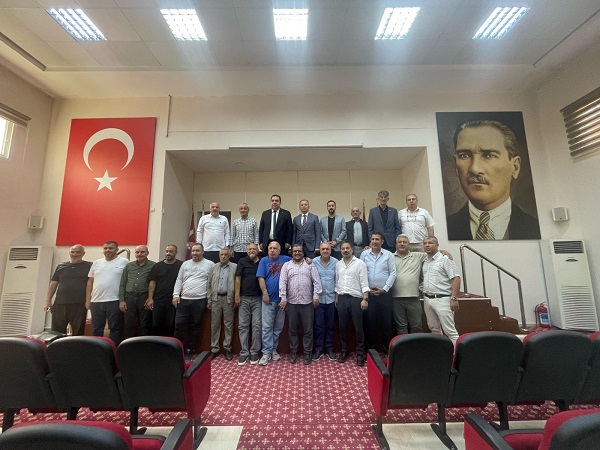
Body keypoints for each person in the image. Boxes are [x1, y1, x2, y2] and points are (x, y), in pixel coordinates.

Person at [447, 120, 541, 240]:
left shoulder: (534, 228)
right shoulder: (444, 229)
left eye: (489, 155)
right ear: (455, 166)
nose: (474, 169)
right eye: (464, 155)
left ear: (515, 167)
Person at [279, 245, 322, 365]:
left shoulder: (310, 265)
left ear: (303, 253)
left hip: (307, 303)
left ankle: (307, 352)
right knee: (292, 330)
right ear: (291, 253)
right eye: (295, 251)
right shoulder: (286, 266)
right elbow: (282, 282)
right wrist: (283, 297)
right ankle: (294, 351)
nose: (297, 253)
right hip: (291, 303)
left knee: (308, 330)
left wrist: (316, 296)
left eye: (299, 251)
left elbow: (316, 282)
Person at [173, 243, 214, 359]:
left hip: (200, 300)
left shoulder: (210, 264)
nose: (195, 253)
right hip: (183, 299)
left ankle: (190, 350)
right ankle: (178, 349)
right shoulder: (185, 264)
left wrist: (209, 299)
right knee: (179, 325)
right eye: (193, 251)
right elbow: (179, 280)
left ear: (203, 251)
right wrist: (175, 295)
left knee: (195, 326)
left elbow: (211, 283)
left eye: (197, 250)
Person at [360, 232, 396, 354]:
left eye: (377, 239)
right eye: (373, 239)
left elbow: (393, 273)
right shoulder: (364, 254)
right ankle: (371, 351)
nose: (374, 241)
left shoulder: (388, 255)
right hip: (369, 294)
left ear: (382, 241)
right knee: (370, 324)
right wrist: (366, 289)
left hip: (384, 294)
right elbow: (361, 272)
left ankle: (387, 351)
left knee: (386, 324)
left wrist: (384, 289)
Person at [86, 241, 129, 344]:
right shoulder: (96, 263)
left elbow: (127, 281)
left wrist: (123, 300)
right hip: (96, 301)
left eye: (111, 248)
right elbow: (90, 282)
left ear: (117, 250)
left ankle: (113, 349)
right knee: (97, 328)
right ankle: (98, 348)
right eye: (105, 248)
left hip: (115, 300)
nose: (108, 250)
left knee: (115, 328)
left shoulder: (124, 262)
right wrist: (88, 300)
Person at [256, 241, 291, 366]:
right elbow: (261, 278)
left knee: (278, 327)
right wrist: (265, 294)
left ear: (279, 250)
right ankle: (266, 352)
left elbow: (299, 260)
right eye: (270, 248)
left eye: (275, 248)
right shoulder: (263, 261)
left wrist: (308, 260)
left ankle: (273, 349)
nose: (272, 250)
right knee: (267, 327)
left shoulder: (286, 260)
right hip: (268, 300)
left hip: (282, 300)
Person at [44, 244, 91, 336]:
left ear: (83, 253)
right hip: (60, 303)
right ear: (69, 253)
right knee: (57, 332)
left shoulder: (89, 266)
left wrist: (88, 300)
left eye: (78, 252)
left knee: (78, 332)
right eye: (72, 252)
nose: (75, 254)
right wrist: (48, 301)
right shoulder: (61, 266)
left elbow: (91, 283)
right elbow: (53, 284)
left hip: (79, 304)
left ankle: (75, 345)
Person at [335, 241, 369, 367]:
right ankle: (345, 351)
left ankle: (360, 353)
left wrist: (365, 299)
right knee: (342, 327)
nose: (345, 250)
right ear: (340, 250)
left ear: (352, 249)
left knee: (358, 327)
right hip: (342, 299)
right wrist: (337, 298)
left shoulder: (360, 263)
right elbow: (337, 282)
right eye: (343, 248)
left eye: (347, 248)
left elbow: (364, 282)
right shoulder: (338, 264)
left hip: (356, 299)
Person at [422, 236, 461, 344]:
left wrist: (454, 298)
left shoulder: (445, 259)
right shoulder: (425, 261)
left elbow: (456, 278)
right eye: (425, 243)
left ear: (437, 245)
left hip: (443, 299)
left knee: (450, 331)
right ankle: (441, 352)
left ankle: (459, 353)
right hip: (427, 299)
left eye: (430, 243)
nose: (427, 245)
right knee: (434, 329)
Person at [235, 243, 262, 365]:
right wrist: (237, 295)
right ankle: (244, 352)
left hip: (258, 299)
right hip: (244, 298)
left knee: (257, 325)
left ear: (258, 250)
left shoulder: (262, 261)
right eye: (250, 249)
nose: (252, 251)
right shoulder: (242, 261)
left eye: (254, 249)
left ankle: (254, 351)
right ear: (247, 251)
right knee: (243, 326)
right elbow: (237, 279)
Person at [119, 245, 155, 338]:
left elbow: (154, 283)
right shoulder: (129, 266)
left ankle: (144, 344)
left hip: (144, 297)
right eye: (137, 252)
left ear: (147, 253)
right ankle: (128, 344)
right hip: (129, 297)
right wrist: (121, 300)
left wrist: (150, 298)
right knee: (128, 323)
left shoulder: (153, 265)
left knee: (145, 323)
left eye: (142, 252)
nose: (139, 254)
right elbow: (122, 283)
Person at [146, 244, 182, 337]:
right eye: (167, 251)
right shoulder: (157, 266)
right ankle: (156, 344)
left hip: (173, 301)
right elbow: (152, 282)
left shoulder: (181, 265)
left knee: (170, 325)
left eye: (171, 251)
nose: (168, 253)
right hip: (158, 300)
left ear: (176, 252)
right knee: (156, 325)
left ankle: (168, 344)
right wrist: (150, 298)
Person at [207, 248, 237, 360]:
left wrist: (235, 298)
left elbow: (238, 283)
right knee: (215, 324)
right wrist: (209, 300)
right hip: (216, 298)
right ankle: (214, 348)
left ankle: (227, 348)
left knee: (228, 324)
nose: (223, 257)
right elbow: (209, 284)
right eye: (221, 255)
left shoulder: (234, 267)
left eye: (225, 255)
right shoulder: (213, 267)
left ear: (229, 256)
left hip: (229, 299)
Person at [312, 242, 338, 361]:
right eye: (323, 249)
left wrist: (337, 296)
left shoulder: (336, 262)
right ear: (320, 250)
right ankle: (318, 349)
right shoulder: (314, 262)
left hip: (331, 299)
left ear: (330, 250)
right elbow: (311, 280)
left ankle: (329, 348)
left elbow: (338, 280)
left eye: (327, 249)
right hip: (318, 299)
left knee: (330, 325)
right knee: (318, 325)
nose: (325, 251)